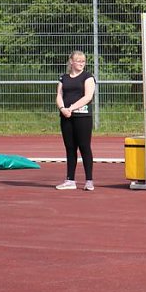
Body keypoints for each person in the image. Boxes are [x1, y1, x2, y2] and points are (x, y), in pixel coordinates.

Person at [55, 50, 96, 190]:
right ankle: (70, 180)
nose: (81, 63)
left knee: (84, 147)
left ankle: (89, 180)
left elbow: (88, 97)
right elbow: (59, 95)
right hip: (66, 116)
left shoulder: (88, 77)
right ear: (71, 62)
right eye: (78, 61)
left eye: (83, 61)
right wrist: (62, 108)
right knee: (70, 148)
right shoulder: (63, 78)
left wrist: (71, 108)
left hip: (82, 117)